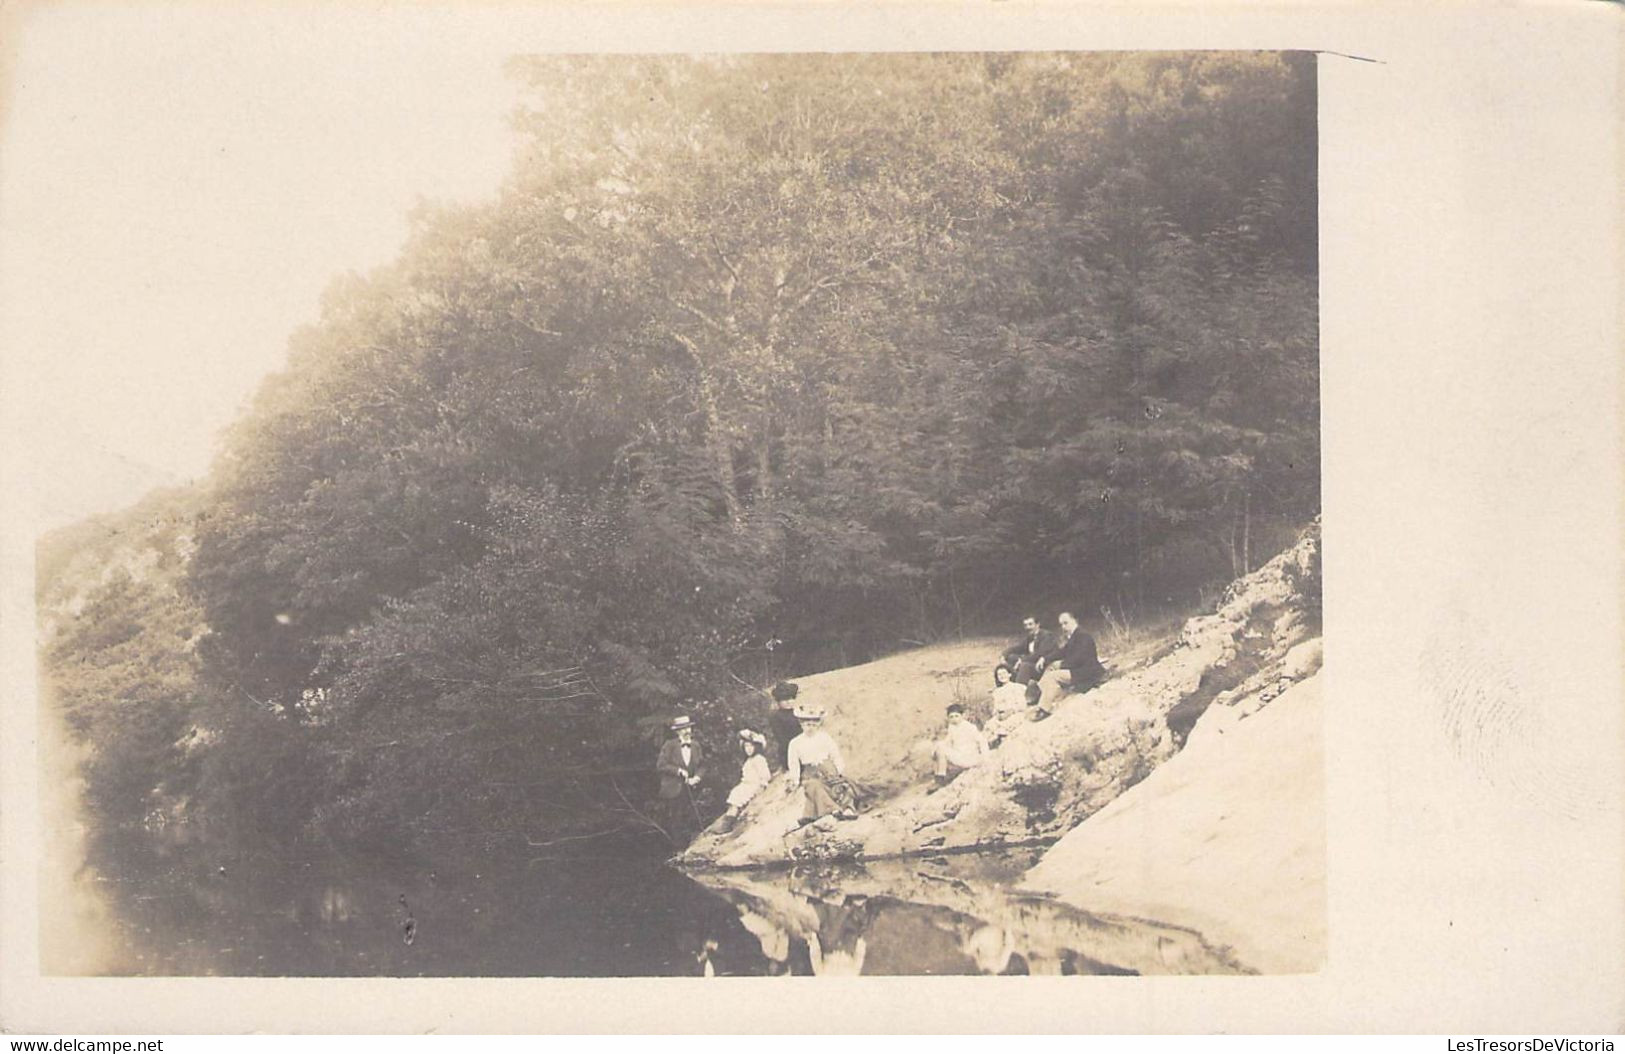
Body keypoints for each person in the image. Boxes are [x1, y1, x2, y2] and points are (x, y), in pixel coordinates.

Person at [786, 704, 858, 825]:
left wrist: (838, 770)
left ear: (819, 724)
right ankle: (832, 809)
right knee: (814, 786)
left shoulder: (824, 738)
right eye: (807, 725)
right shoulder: (795, 743)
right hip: (810, 773)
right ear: (801, 724)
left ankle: (848, 808)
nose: (811, 728)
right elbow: (793, 764)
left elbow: (835, 755)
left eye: (814, 725)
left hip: (828, 769)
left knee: (842, 785)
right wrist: (795, 780)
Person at [1036, 610, 1106, 714]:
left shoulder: (1083, 636)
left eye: (1066, 623)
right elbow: (1062, 652)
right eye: (1061, 624)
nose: (1063, 627)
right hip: (1078, 669)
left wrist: (1062, 665)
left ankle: (1044, 709)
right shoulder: (1074, 636)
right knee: (1051, 666)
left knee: (1052, 676)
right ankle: (1041, 691)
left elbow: (1079, 658)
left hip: (1085, 673)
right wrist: (1044, 658)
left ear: (1075, 621)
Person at [655, 715, 706, 839]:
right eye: (683, 729)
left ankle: (691, 848)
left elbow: (702, 766)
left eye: (688, 728)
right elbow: (661, 765)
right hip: (673, 789)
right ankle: (677, 849)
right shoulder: (669, 745)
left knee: (691, 818)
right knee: (675, 820)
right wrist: (678, 771)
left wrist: (697, 778)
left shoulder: (695, 745)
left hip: (691, 788)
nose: (687, 731)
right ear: (677, 731)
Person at [716, 729, 772, 834]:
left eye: (751, 746)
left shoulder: (759, 759)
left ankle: (727, 824)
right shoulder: (748, 760)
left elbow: (765, 775)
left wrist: (762, 786)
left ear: (756, 747)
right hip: (746, 784)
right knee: (735, 795)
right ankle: (728, 821)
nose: (748, 749)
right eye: (746, 746)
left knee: (738, 797)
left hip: (753, 785)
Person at [932, 703, 989, 786]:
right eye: (951, 717)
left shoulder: (969, 727)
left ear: (963, 716)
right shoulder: (952, 727)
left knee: (941, 749)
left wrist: (985, 758)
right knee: (938, 746)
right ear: (948, 718)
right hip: (959, 756)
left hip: (969, 758)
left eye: (956, 716)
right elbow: (947, 741)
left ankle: (941, 778)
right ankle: (939, 775)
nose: (954, 719)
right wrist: (937, 746)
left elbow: (982, 741)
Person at [986, 664, 1039, 744]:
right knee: (991, 724)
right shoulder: (997, 691)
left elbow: (1022, 705)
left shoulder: (1017, 687)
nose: (1002, 676)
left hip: (1015, 713)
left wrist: (1010, 711)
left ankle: (1001, 739)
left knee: (1011, 722)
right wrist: (997, 714)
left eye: (1004, 673)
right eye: (999, 675)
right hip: (1002, 716)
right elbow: (996, 707)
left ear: (1009, 674)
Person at [1000, 615, 1057, 685]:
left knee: (1025, 666)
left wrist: (1022, 660)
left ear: (1037, 624)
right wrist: (1004, 654)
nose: (1028, 627)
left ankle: (1019, 689)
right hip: (1033, 663)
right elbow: (1019, 648)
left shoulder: (1047, 636)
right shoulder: (1030, 637)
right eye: (1026, 625)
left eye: (1030, 624)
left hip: (1044, 666)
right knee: (1011, 657)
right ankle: (1008, 685)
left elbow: (1040, 653)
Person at [767, 681, 803, 769]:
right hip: (788, 750)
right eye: (784, 699)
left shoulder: (798, 712)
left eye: (791, 698)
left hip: (802, 746)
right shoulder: (776, 717)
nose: (788, 702)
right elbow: (781, 738)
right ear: (778, 701)